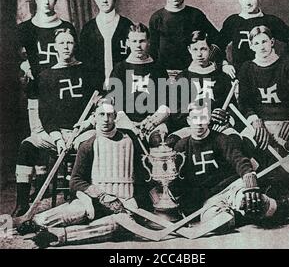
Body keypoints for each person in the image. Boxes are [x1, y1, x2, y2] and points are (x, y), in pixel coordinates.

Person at [30, 97, 138, 247]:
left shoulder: (130, 140)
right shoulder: (88, 144)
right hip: (95, 200)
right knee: (75, 212)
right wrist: (102, 196)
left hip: (125, 202)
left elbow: (140, 176)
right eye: (101, 114)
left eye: (109, 114)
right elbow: (75, 181)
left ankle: (58, 236)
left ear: (115, 116)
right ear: (94, 117)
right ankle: (37, 223)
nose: (106, 119)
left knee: (121, 225)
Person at [12, 28, 92, 217]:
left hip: (83, 131)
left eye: (69, 42)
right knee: (27, 146)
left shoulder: (87, 70)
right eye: (62, 43)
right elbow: (46, 115)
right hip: (55, 133)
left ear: (75, 45)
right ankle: (22, 203)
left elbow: (96, 105)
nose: (66, 47)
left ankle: (79, 201)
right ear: (55, 47)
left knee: (90, 145)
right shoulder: (46, 76)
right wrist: (57, 138)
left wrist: (85, 125)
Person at [172, 101, 283, 229]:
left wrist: (249, 178)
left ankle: (286, 210)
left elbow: (239, 160)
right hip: (211, 197)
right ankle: (245, 217)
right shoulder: (181, 146)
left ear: (208, 119)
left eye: (203, 118)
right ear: (188, 120)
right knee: (214, 222)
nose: (199, 123)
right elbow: (181, 179)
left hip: (232, 187)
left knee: (253, 202)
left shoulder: (222, 139)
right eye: (195, 118)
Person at [238, 25, 289, 161]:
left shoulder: (288, 63)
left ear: (272, 42)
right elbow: (244, 102)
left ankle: (282, 178)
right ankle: (258, 179)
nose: (261, 46)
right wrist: (255, 121)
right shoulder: (247, 68)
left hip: (285, 121)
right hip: (261, 122)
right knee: (241, 147)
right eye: (256, 43)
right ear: (251, 46)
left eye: (264, 41)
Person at [17, 0, 76, 133]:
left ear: (55, 0)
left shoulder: (67, 27)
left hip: (62, 91)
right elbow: (14, 59)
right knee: (39, 138)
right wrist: (24, 66)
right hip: (36, 92)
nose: (46, 1)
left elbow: (76, 60)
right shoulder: (24, 29)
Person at [218, 0, 289, 78]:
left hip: (267, 75)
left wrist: (281, 62)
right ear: (239, 0)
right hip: (240, 75)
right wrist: (224, 65)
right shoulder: (233, 21)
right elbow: (218, 45)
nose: (247, 3)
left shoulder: (270, 21)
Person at [149, 0, 222, 77]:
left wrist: (206, 59)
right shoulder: (156, 18)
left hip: (191, 74)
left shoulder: (195, 15)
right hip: (164, 75)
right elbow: (152, 51)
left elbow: (218, 38)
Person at [170, 30, 235, 133]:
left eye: (203, 49)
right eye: (195, 49)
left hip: (218, 129)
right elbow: (176, 113)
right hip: (190, 129)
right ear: (189, 49)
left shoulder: (221, 77)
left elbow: (232, 108)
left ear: (210, 49)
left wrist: (226, 118)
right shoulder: (182, 78)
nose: (199, 54)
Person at [110, 23, 170, 128]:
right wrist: (129, 125)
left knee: (158, 139)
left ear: (149, 42)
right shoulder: (120, 68)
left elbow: (166, 100)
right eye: (134, 41)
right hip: (126, 123)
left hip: (153, 122)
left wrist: (153, 121)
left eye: (142, 41)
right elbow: (115, 102)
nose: (138, 45)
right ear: (128, 43)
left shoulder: (158, 68)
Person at [79, 0, 133, 91]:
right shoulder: (88, 29)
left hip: (125, 83)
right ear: (95, 0)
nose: (104, 0)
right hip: (95, 85)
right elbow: (84, 60)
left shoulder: (127, 25)